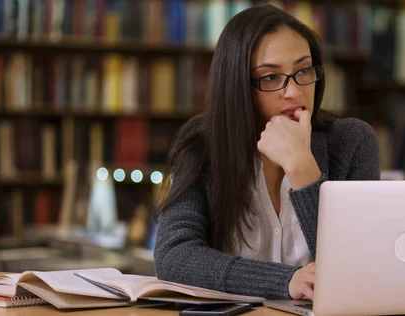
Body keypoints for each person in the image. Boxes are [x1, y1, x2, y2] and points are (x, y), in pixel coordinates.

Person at [154, 4, 381, 301]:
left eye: (303, 71)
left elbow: (358, 269)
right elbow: (174, 256)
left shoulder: (353, 141)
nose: (294, 92)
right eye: (271, 77)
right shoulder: (202, 145)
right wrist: (284, 281)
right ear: (237, 86)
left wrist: (303, 171)